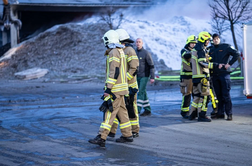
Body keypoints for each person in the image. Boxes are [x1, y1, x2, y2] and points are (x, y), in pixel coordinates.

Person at [88, 30, 133, 147]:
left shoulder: (113, 52)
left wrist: (108, 89)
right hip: (122, 88)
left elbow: (114, 71)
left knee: (109, 112)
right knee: (122, 112)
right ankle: (128, 135)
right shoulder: (120, 51)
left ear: (108, 40)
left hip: (115, 90)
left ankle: (101, 137)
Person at [108, 29, 140, 138]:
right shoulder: (119, 50)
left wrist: (125, 79)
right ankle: (112, 131)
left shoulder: (130, 50)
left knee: (130, 108)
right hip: (122, 86)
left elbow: (134, 68)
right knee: (119, 109)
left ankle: (134, 130)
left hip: (130, 85)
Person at [188, 31, 223, 122]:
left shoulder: (195, 49)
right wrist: (214, 65)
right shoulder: (201, 50)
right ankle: (202, 115)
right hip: (202, 77)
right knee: (205, 97)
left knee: (196, 96)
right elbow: (202, 63)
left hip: (195, 77)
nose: (208, 42)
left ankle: (192, 114)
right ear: (203, 39)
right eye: (207, 40)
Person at [208, 33, 239, 121]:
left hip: (224, 74)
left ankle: (229, 114)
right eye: (214, 39)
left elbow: (236, 54)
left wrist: (229, 64)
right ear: (212, 40)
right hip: (215, 75)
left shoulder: (226, 47)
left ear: (219, 39)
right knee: (218, 95)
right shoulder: (210, 49)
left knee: (226, 95)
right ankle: (220, 113)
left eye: (217, 38)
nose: (216, 40)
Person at [135, 38, 155, 116]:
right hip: (137, 76)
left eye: (139, 42)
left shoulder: (146, 53)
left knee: (141, 91)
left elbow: (151, 65)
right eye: (137, 42)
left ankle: (137, 110)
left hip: (145, 75)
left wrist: (152, 77)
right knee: (144, 93)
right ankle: (147, 109)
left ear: (142, 43)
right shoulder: (134, 52)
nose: (138, 43)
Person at [180, 35, 197, 119]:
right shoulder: (184, 50)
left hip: (194, 76)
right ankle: (184, 111)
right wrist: (195, 52)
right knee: (187, 94)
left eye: (195, 43)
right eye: (192, 43)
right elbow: (186, 56)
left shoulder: (195, 51)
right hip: (186, 77)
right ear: (188, 43)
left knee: (195, 94)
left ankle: (193, 111)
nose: (193, 45)